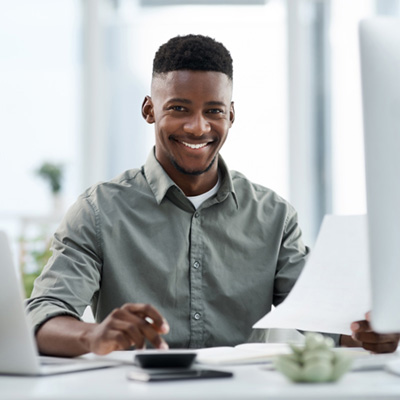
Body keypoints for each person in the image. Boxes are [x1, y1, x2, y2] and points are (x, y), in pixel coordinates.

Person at [26, 34, 399, 357]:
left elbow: (324, 325)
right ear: (149, 110)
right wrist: (94, 335)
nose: (198, 126)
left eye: (214, 111)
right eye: (178, 109)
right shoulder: (98, 211)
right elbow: (42, 315)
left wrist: (371, 333)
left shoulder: (274, 217)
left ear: (231, 116)